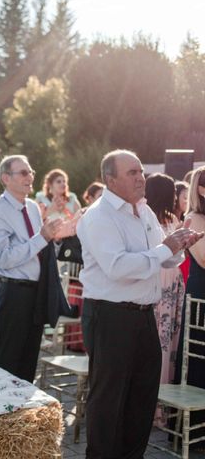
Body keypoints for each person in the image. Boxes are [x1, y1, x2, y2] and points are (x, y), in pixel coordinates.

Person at [77, 150, 203, 458]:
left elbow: (164, 256)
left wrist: (178, 245)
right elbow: (118, 267)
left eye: (140, 171)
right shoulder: (99, 216)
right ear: (111, 180)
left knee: (142, 398)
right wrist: (165, 249)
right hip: (110, 316)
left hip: (145, 315)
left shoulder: (143, 211)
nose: (140, 177)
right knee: (109, 400)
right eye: (132, 172)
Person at [0, 155, 63, 382]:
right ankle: (1, 415)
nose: (30, 177)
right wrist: (42, 238)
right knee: (7, 364)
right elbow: (3, 258)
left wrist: (51, 239)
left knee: (29, 364)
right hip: (14, 294)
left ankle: (25, 418)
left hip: (36, 292)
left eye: (31, 172)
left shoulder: (32, 207)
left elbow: (38, 248)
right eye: (24, 173)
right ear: (6, 178)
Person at [145, 173, 185, 425]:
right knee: (167, 339)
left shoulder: (150, 218)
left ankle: (153, 403)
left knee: (158, 339)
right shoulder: (168, 220)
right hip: (168, 279)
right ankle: (159, 405)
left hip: (158, 278)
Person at [174, 165, 205, 451]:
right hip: (201, 295)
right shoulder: (193, 218)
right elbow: (204, 258)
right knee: (198, 356)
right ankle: (192, 432)